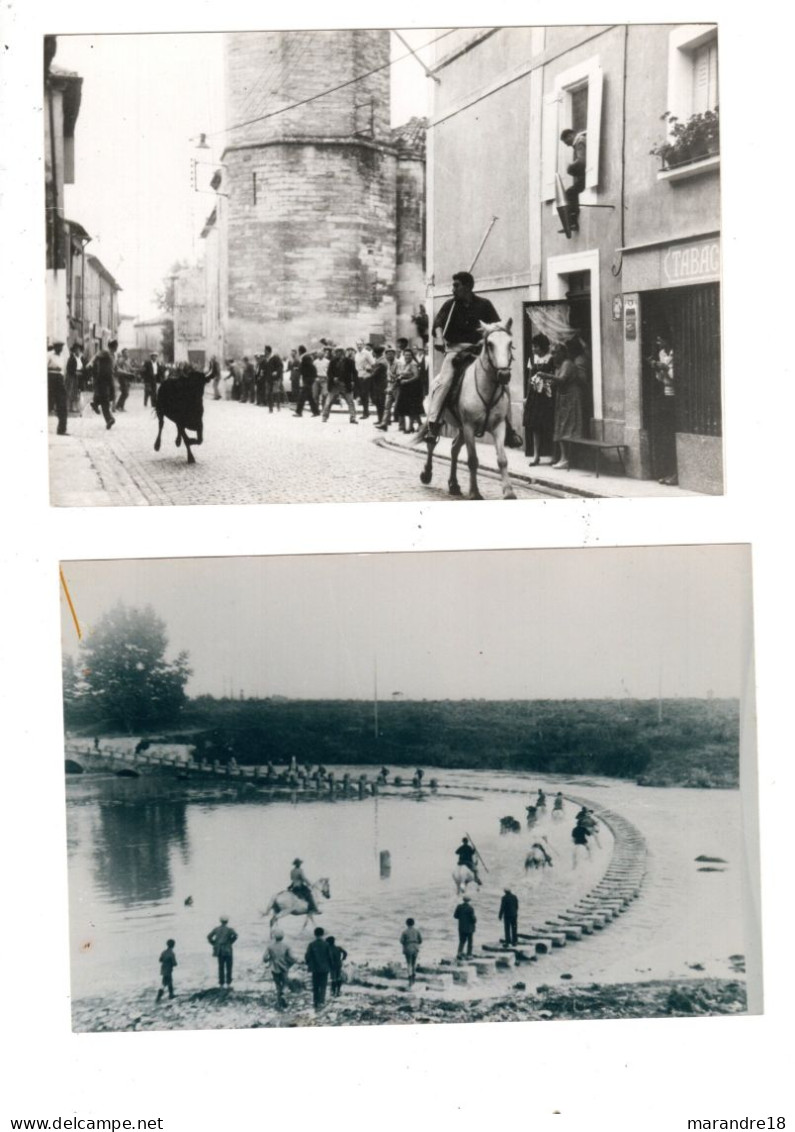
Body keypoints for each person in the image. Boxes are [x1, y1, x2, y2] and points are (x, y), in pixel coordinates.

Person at [550, 340, 584, 469]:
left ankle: (567, 458)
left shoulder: (567, 364)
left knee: (568, 426)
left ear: (562, 353)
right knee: (561, 425)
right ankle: (562, 457)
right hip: (563, 398)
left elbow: (562, 380)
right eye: (552, 353)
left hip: (571, 397)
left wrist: (547, 377)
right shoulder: (559, 366)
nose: (553, 356)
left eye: (555, 353)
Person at [648, 335, 677, 485]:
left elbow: (677, 377)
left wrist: (665, 368)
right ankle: (667, 472)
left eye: (661, 339)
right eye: (657, 339)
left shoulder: (675, 353)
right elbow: (660, 378)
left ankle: (675, 473)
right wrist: (657, 369)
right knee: (664, 435)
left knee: (671, 433)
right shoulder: (661, 354)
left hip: (676, 396)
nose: (658, 342)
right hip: (665, 395)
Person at [524, 333, 556, 465]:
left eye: (535, 346)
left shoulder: (551, 358)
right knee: (535, 426)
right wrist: (527, 396)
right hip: (535, 396)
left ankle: (554, 456)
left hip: (548, 396)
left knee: (549, 425)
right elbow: (529, 377)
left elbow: (555, 375)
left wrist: (547, 379)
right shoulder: (532, 358)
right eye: (532, 346)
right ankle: (536, 456)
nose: (533, 349)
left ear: (542, 347)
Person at [322, 346, 358, 423]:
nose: (339, 353)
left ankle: (353, 417)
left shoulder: (350, 361)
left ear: (343, 353)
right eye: (337, 352)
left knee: (350, 401)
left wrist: (353, 381)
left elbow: (354, 373)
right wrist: (333, 378)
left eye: (340, 352)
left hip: (345, 384)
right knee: (328, 401)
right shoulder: (333, 361)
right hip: (334, 385)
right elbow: (329, 372)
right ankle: (324, 416)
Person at [560, 128, 587, 232]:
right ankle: (572, 222)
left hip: (586, 176)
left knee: (569, 193)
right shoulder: (579, 142)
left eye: (566, 142)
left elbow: (582, 162)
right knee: (570, 193)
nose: (567, 145)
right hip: (585, 175)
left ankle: (573, 223)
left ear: (570, 136)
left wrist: (570, 167)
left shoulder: (580, 141)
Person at [263, 928, 297, 1010]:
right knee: (285, 983)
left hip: (274, 967)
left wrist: (269, 960)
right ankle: (283, 995)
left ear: (274, 937)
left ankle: (279, 1002)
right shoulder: (286, 946)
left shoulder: (270, 946)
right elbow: (292, 957)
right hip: (284, 967)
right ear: (283, 937)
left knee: (277, 984)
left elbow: (265, 958)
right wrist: (294, 961)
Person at [395, 347, 425, 433]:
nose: (407, 356)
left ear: (412, 356)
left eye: (409, 355)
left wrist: (407, 380)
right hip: (405, 388)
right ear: (403, 355)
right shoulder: (405, 364)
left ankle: (410, 427)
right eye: (406, 355)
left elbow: (416, 376)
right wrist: (400, 377)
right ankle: (420, 424)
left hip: (413, 388)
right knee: (408, 408)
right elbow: (403, 373)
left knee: (411, 408)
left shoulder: (413, 364)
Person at [90, 339, 117, 429]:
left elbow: (115, 369)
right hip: (102, 379)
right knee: (105, 400)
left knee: (110, 397)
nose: (116, 347)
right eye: (115, 345)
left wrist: (127, 374)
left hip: (110, 379)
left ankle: (95, 402)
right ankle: (109, 419)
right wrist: (90, 363)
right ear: (111, 346)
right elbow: (96, 356)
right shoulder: (105, 352)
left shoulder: (113, 355)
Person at [304, 926, 332, 1010]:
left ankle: (315, 1002)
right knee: (323, 985)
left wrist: (309, 964)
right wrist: (330, 966)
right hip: (324, 968)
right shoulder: (326, 944)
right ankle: (321, 1001)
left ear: (314, 934)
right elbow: (330, 957)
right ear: (322, 934)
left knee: (315, 985)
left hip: (315, 968)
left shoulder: (311, 944)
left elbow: (307, 956)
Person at [207, 916, 237, 987]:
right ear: (227, 921)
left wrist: (214, 943)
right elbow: (235, 936)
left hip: (219, 950)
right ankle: (229, 983)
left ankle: (221, 983)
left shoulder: (216, 929)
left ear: (220, 921)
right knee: (229, 966)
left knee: (221, 966)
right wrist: (231, 942)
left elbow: (209, 937)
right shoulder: (229, 929)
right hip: (228, 950)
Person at [47, 341, 68, 435]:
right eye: (58, 347)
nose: (60, 349)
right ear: (54, 347)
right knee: (48, 403)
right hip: (50, 379)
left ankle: (62, 429)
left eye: (61, 347)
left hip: (59, 380)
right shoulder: (49, 355)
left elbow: (63, 370)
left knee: (62, 404)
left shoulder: (62, 357)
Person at [293, 345, 320, 417]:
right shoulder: (307, 357)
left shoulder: (305, 357)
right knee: (309, 396)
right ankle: (316, 412)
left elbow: (309, 367)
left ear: (300, 351)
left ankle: (299, 412)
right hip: (309, 378)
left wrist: (299, 369)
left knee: (302, 395)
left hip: (308, 379)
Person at [354, 339, 374, 417]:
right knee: (361, 395)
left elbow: (373, 363)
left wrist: (368, 368)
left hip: (366, 376)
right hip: (359, 376)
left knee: (364, 394)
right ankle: (365, 411)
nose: (359, 346)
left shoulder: (367, 353)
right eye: (357, 344)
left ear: (363, 345)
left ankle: (366, 412)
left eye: (360, 344)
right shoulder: (357, 354)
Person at [262, 345, 284, 412]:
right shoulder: (265, 359)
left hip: (275, 378)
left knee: (276, 392)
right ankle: (270, 408)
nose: (264, 352)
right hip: (268, 379)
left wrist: (276, 372)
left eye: (265, 350)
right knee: (269, 393)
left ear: (268, 351)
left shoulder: (275, 358)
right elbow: (264, 368)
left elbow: (280, 366)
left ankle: (278, 406)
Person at [400, 918, 422, 983]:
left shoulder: (404, 932)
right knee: (414, 962)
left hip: (408, 948)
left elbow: (401, 941)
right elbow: (420, 940)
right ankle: (413, 974)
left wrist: (406, 943)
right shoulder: (417, 931)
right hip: (415, 947)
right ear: (413, 923)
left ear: (406, 924)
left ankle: (409, 975)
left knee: (408, 962)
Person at [454, 895, 477, 959]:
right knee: (470, 941)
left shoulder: (459, 907)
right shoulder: (470, 908)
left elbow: (455, 916)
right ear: (469, 901)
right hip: (469, 928)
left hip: (461, 927)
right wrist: (475, 920)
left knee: (462, 941)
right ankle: (469, 954)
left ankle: (459, 953)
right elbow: (473, 919)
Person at [65, 342, 84, 414]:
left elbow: (82, 367)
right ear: (74, 350)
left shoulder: (80, 358)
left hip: (78, 377)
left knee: (77, 392)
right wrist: (75, 372)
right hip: (72, 377)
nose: (77, 351)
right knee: (71, 391)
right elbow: (69, 369)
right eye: (76, 349)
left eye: (79, 349)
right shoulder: (72, 358)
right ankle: (70, 407)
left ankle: (76, 406)